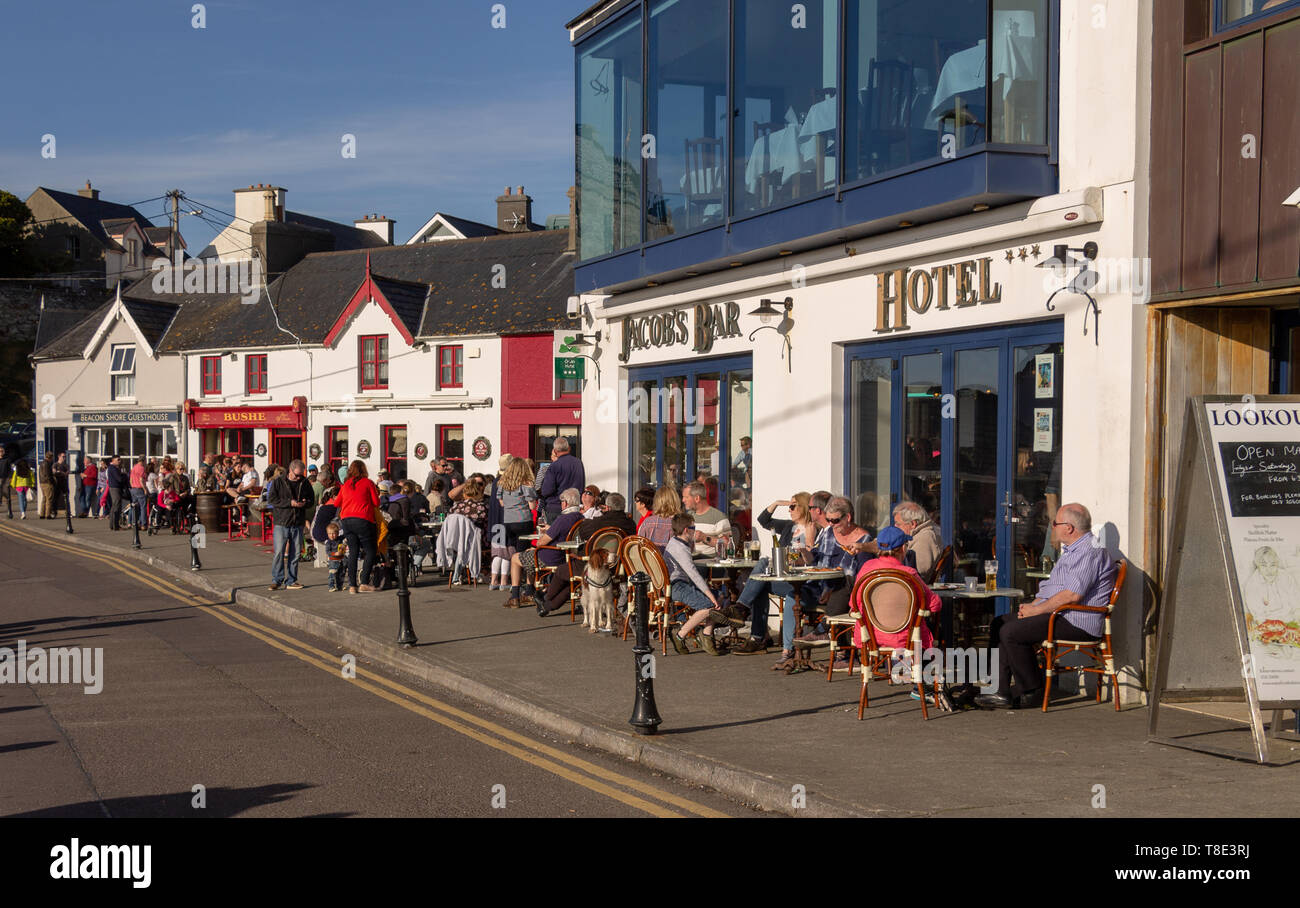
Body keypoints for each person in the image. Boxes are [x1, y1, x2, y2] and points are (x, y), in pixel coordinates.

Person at [976, 503, 1118, 710]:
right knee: (1000, 623)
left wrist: (1036, 611)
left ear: (1068, 527)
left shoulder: (1090, 552)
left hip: (1078, 621)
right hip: (1062, 614)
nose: (1052, 526)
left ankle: (1032, 690)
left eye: (1055, 523)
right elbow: (1054, 589)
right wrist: (1031, 607)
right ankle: (1000, 690)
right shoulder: (1072, 551)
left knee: (1011, 632)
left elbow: (1072, 595)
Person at [851, 526, 942, 681]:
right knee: (927, 625)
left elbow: (853, 603)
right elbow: (935, 605)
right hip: (904, 637)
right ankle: (921, 684)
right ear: (902, 548)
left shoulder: (867, 568)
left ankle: (900, 671)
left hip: (872, 636)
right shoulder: (909, 574)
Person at [731, 493, 818, 655]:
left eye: (793, 506)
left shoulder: (814, 530)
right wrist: (777, 503)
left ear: (803, 507)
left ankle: (745, 615)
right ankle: (756, 635)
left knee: (762, 570)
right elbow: (763, 520)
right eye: (789, 506)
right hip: (784, 578)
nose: (789, 510)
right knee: (761, 580)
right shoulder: (788, 526)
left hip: (802, 583)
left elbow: (813, 559)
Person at [502, 488, 583, 612]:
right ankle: (529, 591)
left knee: (515, 558)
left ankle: (515, 597)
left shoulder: (562, 519)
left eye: (561, 501)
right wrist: (551, 529)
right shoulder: (581, 518)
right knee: (530, 553)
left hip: (551, 556)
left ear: (565, 503)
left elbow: (541, 542)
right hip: (566, 557)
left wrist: (543, 537)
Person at [666, 514, 724, 656]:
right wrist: (709, 595)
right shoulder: (680, 548)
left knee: (720, 596)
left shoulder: (677, 541)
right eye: (694, 528)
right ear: (687, 530)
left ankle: (706, 634)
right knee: (709, 605)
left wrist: (713, 596)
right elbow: (693, 574)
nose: (696, 531)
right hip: (677, 585)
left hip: (679, 583)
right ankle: (680, 635)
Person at [266, 459, 313, 591]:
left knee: (296, 553)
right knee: (279, 553)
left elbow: (311, 500)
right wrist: (289, 503)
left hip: (297, 522)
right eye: (296, 475)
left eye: (300, 475)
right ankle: (276, 580)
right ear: (290, 470)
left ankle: (291, 580)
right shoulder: (278, 482)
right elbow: (272, 500)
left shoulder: (304, 482)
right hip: (281, 522)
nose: (298, 477)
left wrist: (305, 502)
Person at [336, 460, 381, 594]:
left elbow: (337, 502)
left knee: (353, 552)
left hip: (346, 520)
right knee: (371, 550)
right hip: (363, 519)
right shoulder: (368, 483)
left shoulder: (345, 485)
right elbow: (376, 502)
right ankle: (364, 583)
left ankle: (352, 586)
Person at [495, 457, 537, 591]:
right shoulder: (526, 483)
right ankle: (529, 587)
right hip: (523, 520)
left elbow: (501, 502)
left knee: (515, 555)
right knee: (526, 555)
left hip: (508, 521)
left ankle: (515, 588)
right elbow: (532, 506)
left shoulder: (503, 483)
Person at [537, 436, 585, 522]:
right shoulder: (578, 463)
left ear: (555, 451)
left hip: (556, 507)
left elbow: (547, 490)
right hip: (574, 506)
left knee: (554, 534)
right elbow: (581, 484)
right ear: (569, 448)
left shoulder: (554, 466)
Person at [893, 500, 943, 581]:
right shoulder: (921, 533)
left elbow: (918, 571)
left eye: (898, 524)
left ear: (913, 524)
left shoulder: (925, 538)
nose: (895, 527)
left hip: (913, 587)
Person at [682, 480, 730, 557]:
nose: (683, 500)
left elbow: (728, 545)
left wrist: (704, 537)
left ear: (697, 498)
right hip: (690, 560)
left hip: (708, 564)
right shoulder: (688, 517)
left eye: (686, 497)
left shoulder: (718, 517)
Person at [637, 486, 680, 552]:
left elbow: (638, 546)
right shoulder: (680, 523)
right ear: (676, 501)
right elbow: (688, 549)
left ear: (656, 501)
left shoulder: (647, 522)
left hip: (649, 561)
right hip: (671, 561)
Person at [105, 455, 128, 530]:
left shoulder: (112, 468)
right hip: (115, 488)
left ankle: (112, 525)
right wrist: (124, 476)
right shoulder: (113, 468)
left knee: (114, 506)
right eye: (118, 460)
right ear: (113, 460)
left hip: (114, 487)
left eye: (120, 459)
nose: (119, 461)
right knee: (116, 506)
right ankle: (116, 525)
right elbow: (119, 479)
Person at [324, 523, 348, 592]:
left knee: (341, 573)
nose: (331, 535)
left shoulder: (340, 538)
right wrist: (335, 553)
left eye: (333, 533)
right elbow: (328, 552)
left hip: (341, 559)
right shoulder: (328, 542)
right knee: (333, 573)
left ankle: (339, 586)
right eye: (329, 534)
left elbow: (346, 534)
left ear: (337, 533)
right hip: (333, 560)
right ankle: (331, 586)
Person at [129, 456, 148, 528]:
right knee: (143, 507)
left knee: (134, 506)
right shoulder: (142, 468)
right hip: (139, 488)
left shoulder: (134, 467)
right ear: (143, 461)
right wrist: (145, 489)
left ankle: (133, 522)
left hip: (133, 489)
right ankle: (143, 524)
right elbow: (141, 480)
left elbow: (130, 479)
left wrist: (132, 486)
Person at [37, 452, 56, 519]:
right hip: (47, 483)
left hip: (42, 483)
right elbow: (47, 475)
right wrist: (52, 482)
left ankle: (42, 514)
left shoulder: (42, 463)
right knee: (49, 499)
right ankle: (48, 514)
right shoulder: (47, 464)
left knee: (44, 498)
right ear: (50, 457)